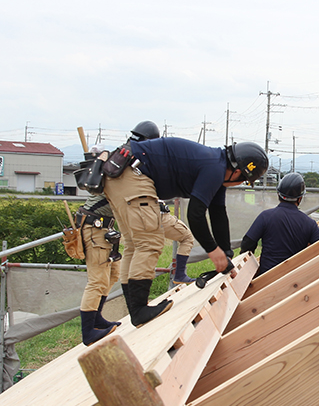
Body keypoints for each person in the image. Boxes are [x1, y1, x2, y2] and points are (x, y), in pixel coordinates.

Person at [103, 135, 268, 327]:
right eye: (244, 180)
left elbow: (218, 214)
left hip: (120, 174)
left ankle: (135, 308)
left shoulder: (217, 166)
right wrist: (213, 251)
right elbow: (196, 215)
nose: (241, 184)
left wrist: (226, 253)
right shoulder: (214, 168)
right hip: (133, 173)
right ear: (237, 171)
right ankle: (139, 310)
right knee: (149, 242)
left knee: (134, 244)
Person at [128, 121, 196, 285]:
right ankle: (179, 274)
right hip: (154, 214)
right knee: (185, 238)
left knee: (133, 250)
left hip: (130, 215)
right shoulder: (150, 158)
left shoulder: (125, 157)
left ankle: (131, 294)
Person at [76, 146, 122, 345]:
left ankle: (96, 319)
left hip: (103, 230)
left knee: (112, 274)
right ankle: (88, 333)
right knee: (97, 281)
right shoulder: (115, 173)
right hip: (94, 229)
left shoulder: (117, 170)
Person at [240, 172, 319, 276]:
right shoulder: (310, 224)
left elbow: (247, 243)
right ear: (300, 198)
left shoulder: (266, 217)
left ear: (278, 194)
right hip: (296, 282)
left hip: (265, 279)